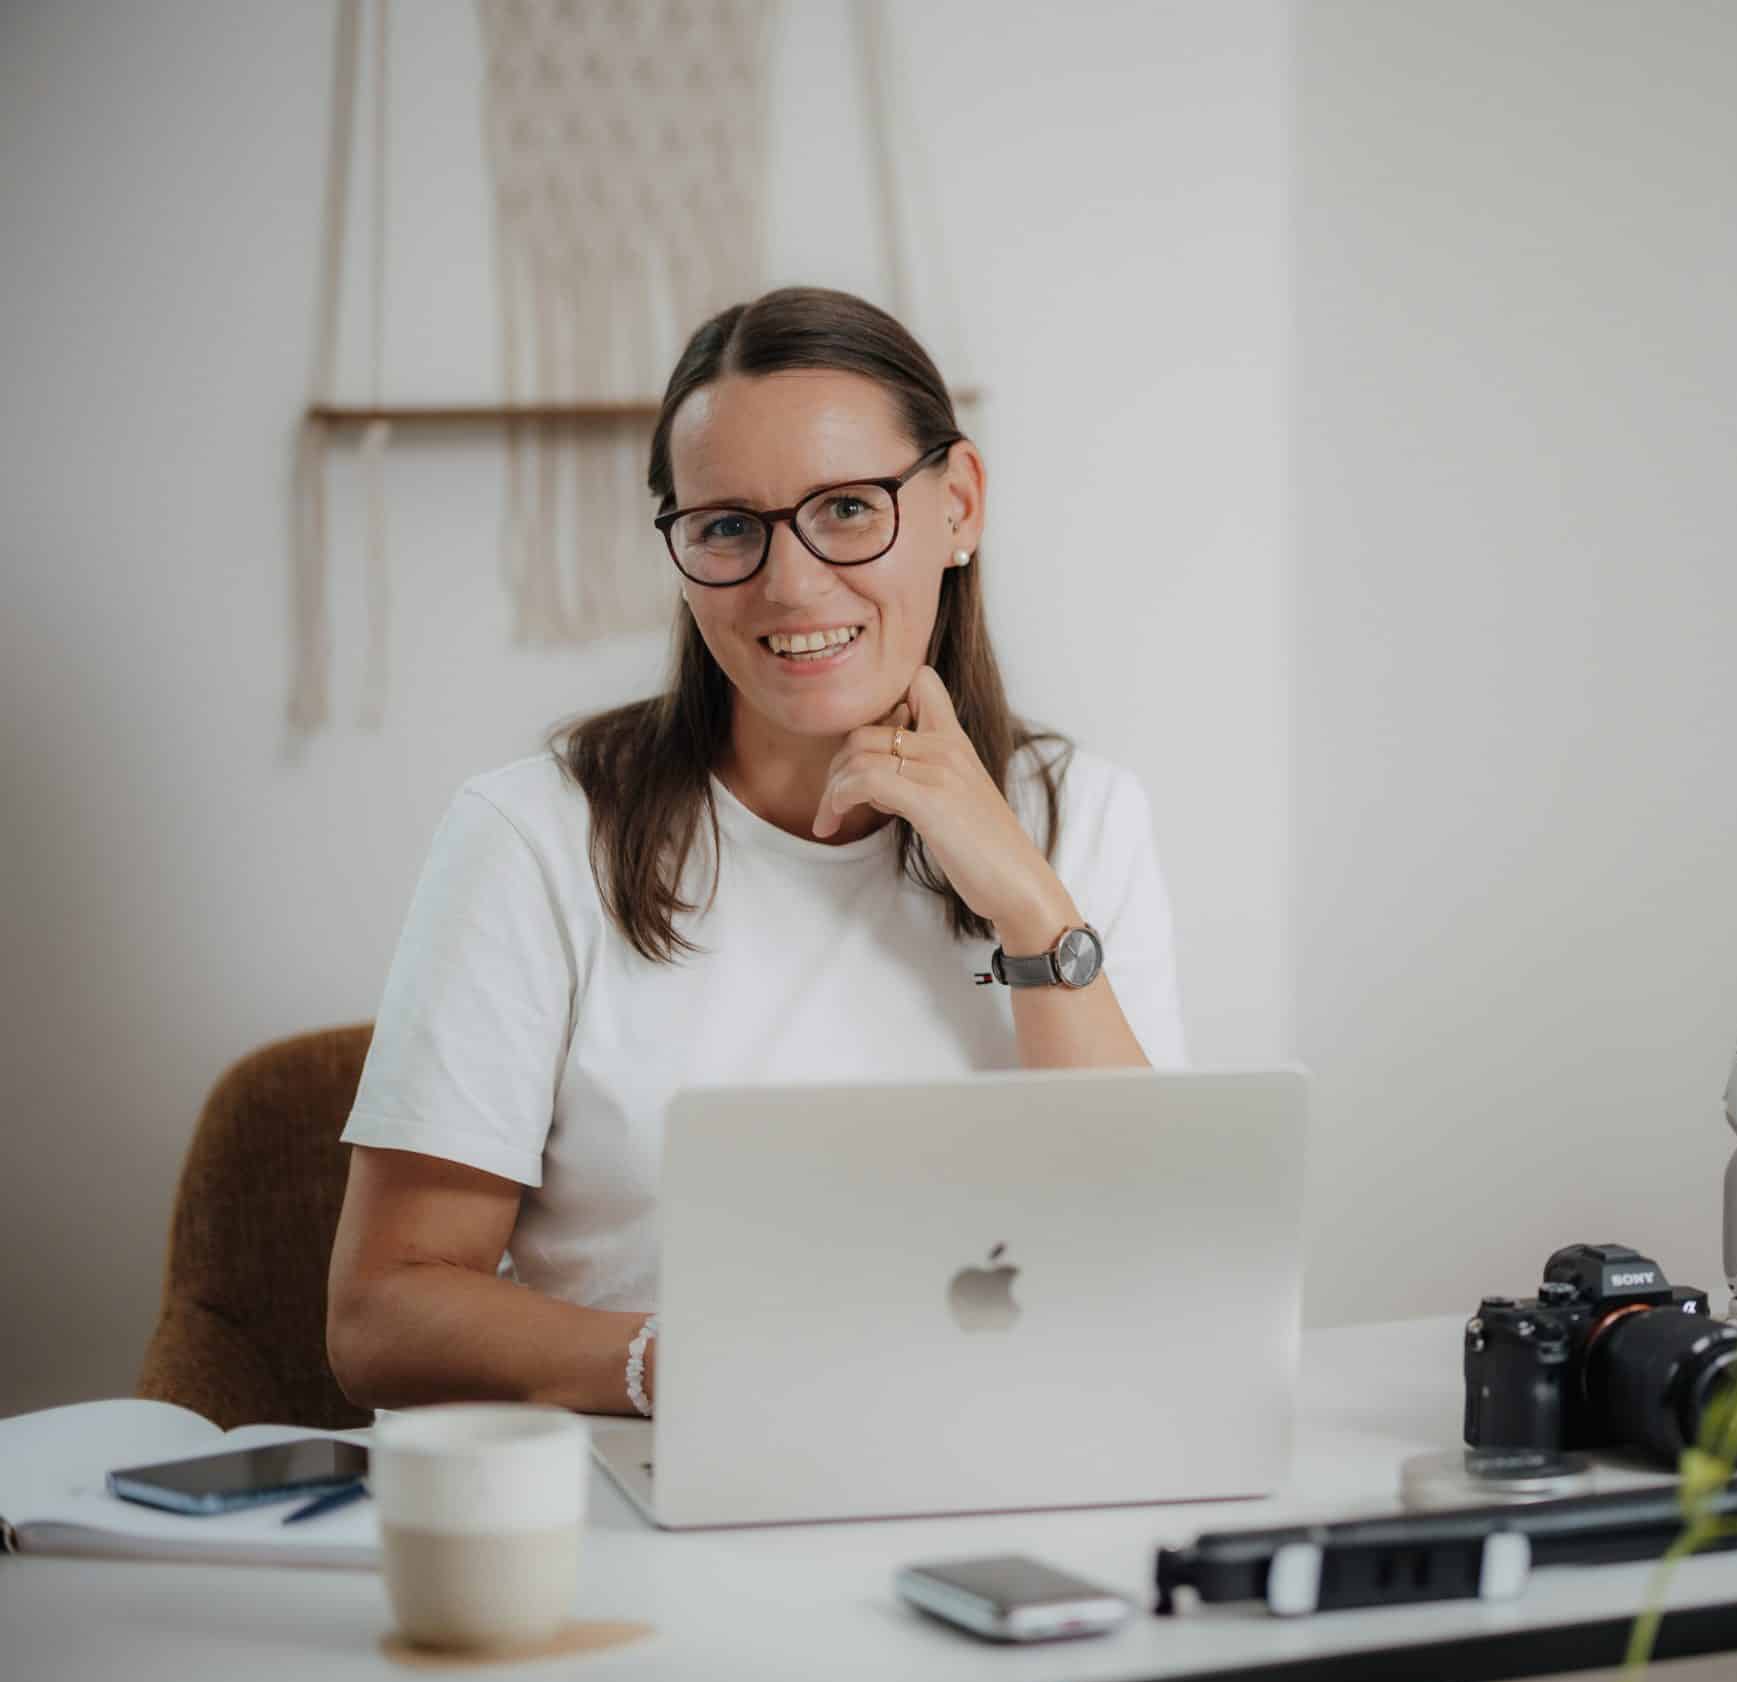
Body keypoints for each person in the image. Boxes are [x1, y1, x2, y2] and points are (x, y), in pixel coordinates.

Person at [326, 287, 1183, 1415]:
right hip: (657, 1491)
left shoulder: (1084, 815)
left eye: (845, 508)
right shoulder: (534, 838)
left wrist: (1028, 903)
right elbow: (382, 1313)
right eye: (728, 526)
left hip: (1012, 1455)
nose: (789, 583)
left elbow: (1163, 1266)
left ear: (958, 504)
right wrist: (672, 1366)